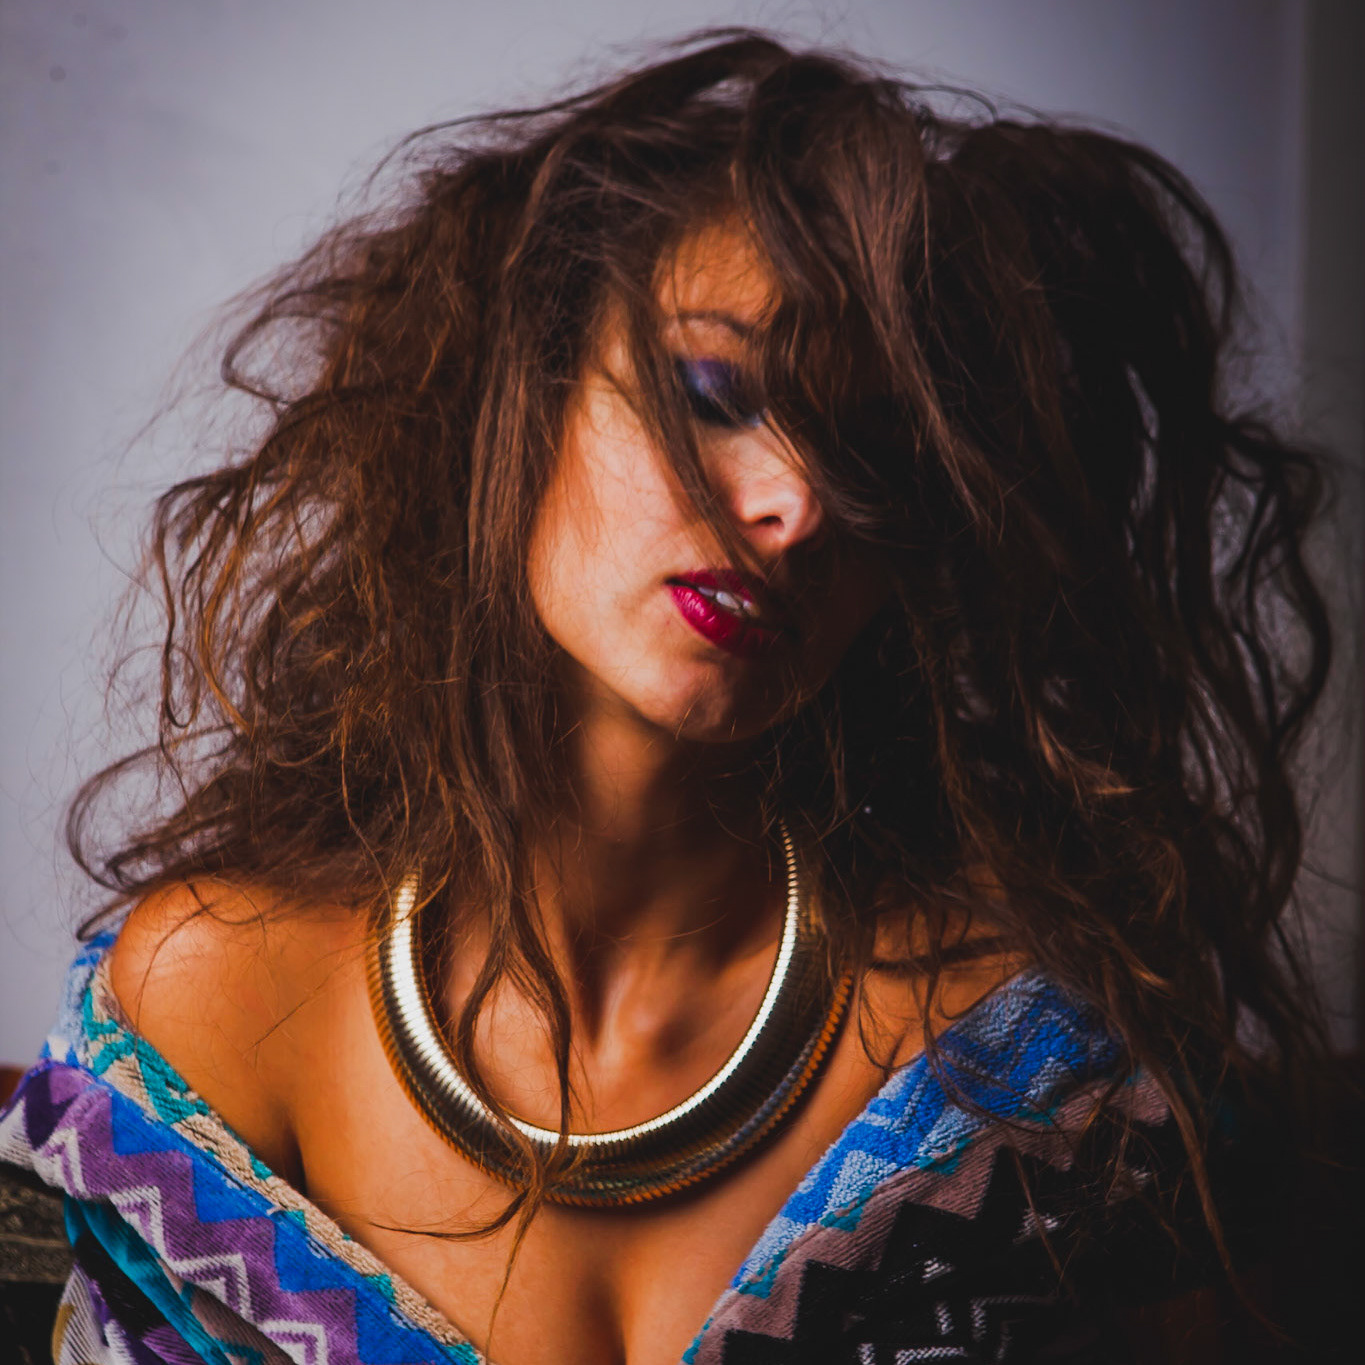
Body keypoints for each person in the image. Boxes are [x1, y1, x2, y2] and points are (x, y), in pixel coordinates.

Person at [0, 31, 1337, 1365]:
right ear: (521, 388)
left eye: (875, 458)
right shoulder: (218, 999)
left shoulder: (1026, 1070)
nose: (795, 504)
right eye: (712, 391)